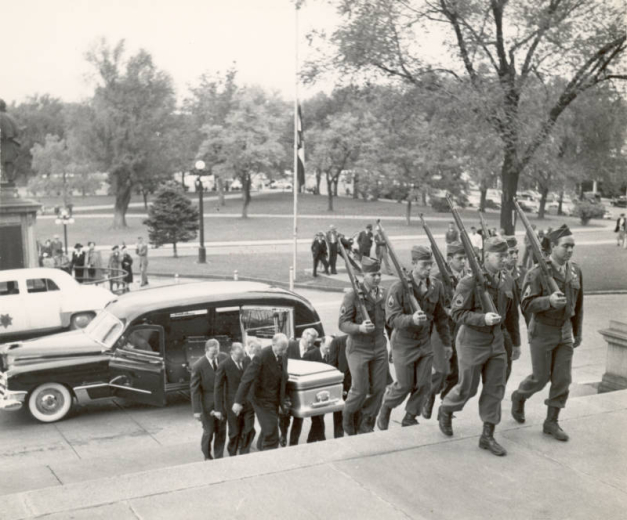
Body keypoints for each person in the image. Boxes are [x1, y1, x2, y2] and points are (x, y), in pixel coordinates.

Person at [437, 237, 520, 457]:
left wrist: (517, 342)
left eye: (506, 255)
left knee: (496, 388)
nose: (504, 260)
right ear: (487, 257)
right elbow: (456, 314)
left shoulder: (508, 280)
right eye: (499, 256)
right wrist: (483, 318)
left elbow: (512, 315)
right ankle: (446, 409)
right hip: (472, 341)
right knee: (468, 388)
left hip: (497, 342)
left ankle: (487, 435)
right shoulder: (469, 281)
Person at [511, 224, 583, 442]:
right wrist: (548, 301)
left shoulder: (575, 270)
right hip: (543, 331)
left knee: (563, 379)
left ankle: (551, 421)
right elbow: (526, 304)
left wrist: (577, 332)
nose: (570, 250)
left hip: (564, 332)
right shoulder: (537, 272)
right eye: (565, 246)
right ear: (552, 247)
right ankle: (519, 397)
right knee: (540, 378)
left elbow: (578, 305)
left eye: (572, 246)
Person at [377, 246, 451, 430]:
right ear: (414, 264)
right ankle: (386, 407)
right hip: (403, 342)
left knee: (425, 383)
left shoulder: (436, 286)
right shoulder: (399, 287)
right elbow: (391, 318)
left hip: (424, 342)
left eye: (430, 264)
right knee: (404, 384)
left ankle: (410, 416)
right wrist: (411, 319)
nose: (428, 268)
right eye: (424, 264)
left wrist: (447, 343)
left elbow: (441, 317)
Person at [338, 257, 388, 435]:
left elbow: (387, 322)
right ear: (363, 275)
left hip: (379, 346)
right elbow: (343, 324)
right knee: (360, 389)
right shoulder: (353, 295)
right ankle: (347, 419)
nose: (377, 278)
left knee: (379, 389)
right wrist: (359, 327)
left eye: (379, 274)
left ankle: (366, 422)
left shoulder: (382, 294)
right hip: (358, 348)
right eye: (373, 274)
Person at [422, 242, 468, 419]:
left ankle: (445, 404)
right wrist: (447, 311)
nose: (463, 262)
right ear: (449, 259)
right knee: (441, 370)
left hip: (460, 329)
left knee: (456, 371)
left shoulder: (467, 276)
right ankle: (429, 395)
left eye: (464, 258)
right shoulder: (437, 278)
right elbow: (431, 305)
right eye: (459, 258)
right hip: (442, 330)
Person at [233, 333, 290, 451]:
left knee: (268, 427)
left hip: (274, 398)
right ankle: (269, 458)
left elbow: (283, 378)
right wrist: (238, 402)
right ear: (273, 344)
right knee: (271, 432)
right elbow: (246, 379)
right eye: (281, 349)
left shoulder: (283, 355)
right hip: (261, 399)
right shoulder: (261, 356)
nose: (283, 352)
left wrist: (283, 399)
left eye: (285, 349)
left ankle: (261, 448)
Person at [279, 328, 319, 446]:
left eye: (312, 343)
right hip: (288, 387)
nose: (310, 345)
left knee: (299, 417)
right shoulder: (290, 346)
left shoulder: (314, 351)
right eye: (309, 342)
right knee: (285, 416)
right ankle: (283, 434)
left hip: (302, 390)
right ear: (303, 336)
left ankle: (293, 443)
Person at [214, 343, 255, 456]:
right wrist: (218, 408)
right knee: (235, 432)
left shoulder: (247, 361)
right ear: (231, 352)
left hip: (248, 403)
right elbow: (218, 387)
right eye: (238, 355)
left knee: (249, 429)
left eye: (242, 354)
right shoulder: (224, 365)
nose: (241, 357)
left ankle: (244, 452)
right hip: (232, 405)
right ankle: (232, 453)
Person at [190, 338, 228, 460]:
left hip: (221, 402)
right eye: (213, 353)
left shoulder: (223, 358)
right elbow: (195, 390)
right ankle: (207, 454)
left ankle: (219, 456)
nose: (215, 355)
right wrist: (196, 410)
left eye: (217, 352)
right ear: (206, 350)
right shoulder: (198, 366)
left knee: (221, 431)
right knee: (209, 431)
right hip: (207, 404)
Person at [503, 236, 527, 381]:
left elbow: (520, 309)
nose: (515, 256)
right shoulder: (492, 275)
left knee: (505, 372)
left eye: (516, 252)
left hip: (508, 330)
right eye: (510, 253)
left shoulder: (522, 274)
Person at [301, 336, 330, 443]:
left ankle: (312, 440)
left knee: (319, 416)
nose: (329, 351)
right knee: (317, 416)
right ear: (321, 344)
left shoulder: (330, 355)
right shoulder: (310, 355)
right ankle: (321, 439)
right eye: (327, 348)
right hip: (312, 391)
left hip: (324, 391)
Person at [327, 334, 351, 438]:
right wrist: (336, 387)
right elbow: (332, 366)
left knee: (357, 416)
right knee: (339, 418)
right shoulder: (338, 342)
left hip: (359, 386)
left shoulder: (364, 340)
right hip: (343, 386)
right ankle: (339, 439)